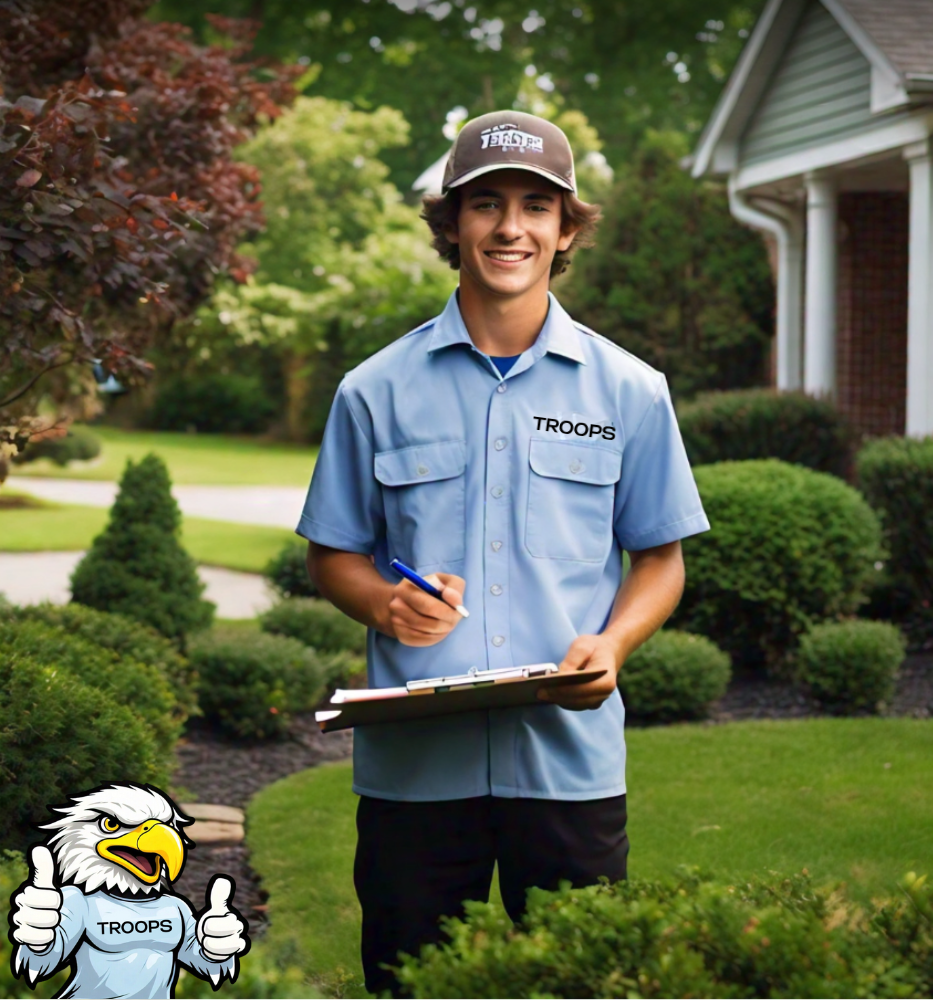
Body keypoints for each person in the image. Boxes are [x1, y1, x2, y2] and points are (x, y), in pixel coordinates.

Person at [297, 110, 709, 996]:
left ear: (566, 229)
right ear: (453, 224)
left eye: (535, 205)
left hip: (569, 767)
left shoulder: (631, 391)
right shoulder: (373, 391)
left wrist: (617, 644)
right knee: (407, 985)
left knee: (580, 984)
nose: (510, 227)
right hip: (415, 777)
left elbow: (660, 559)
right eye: (486, 204)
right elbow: (333, 555)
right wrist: (381, 602)